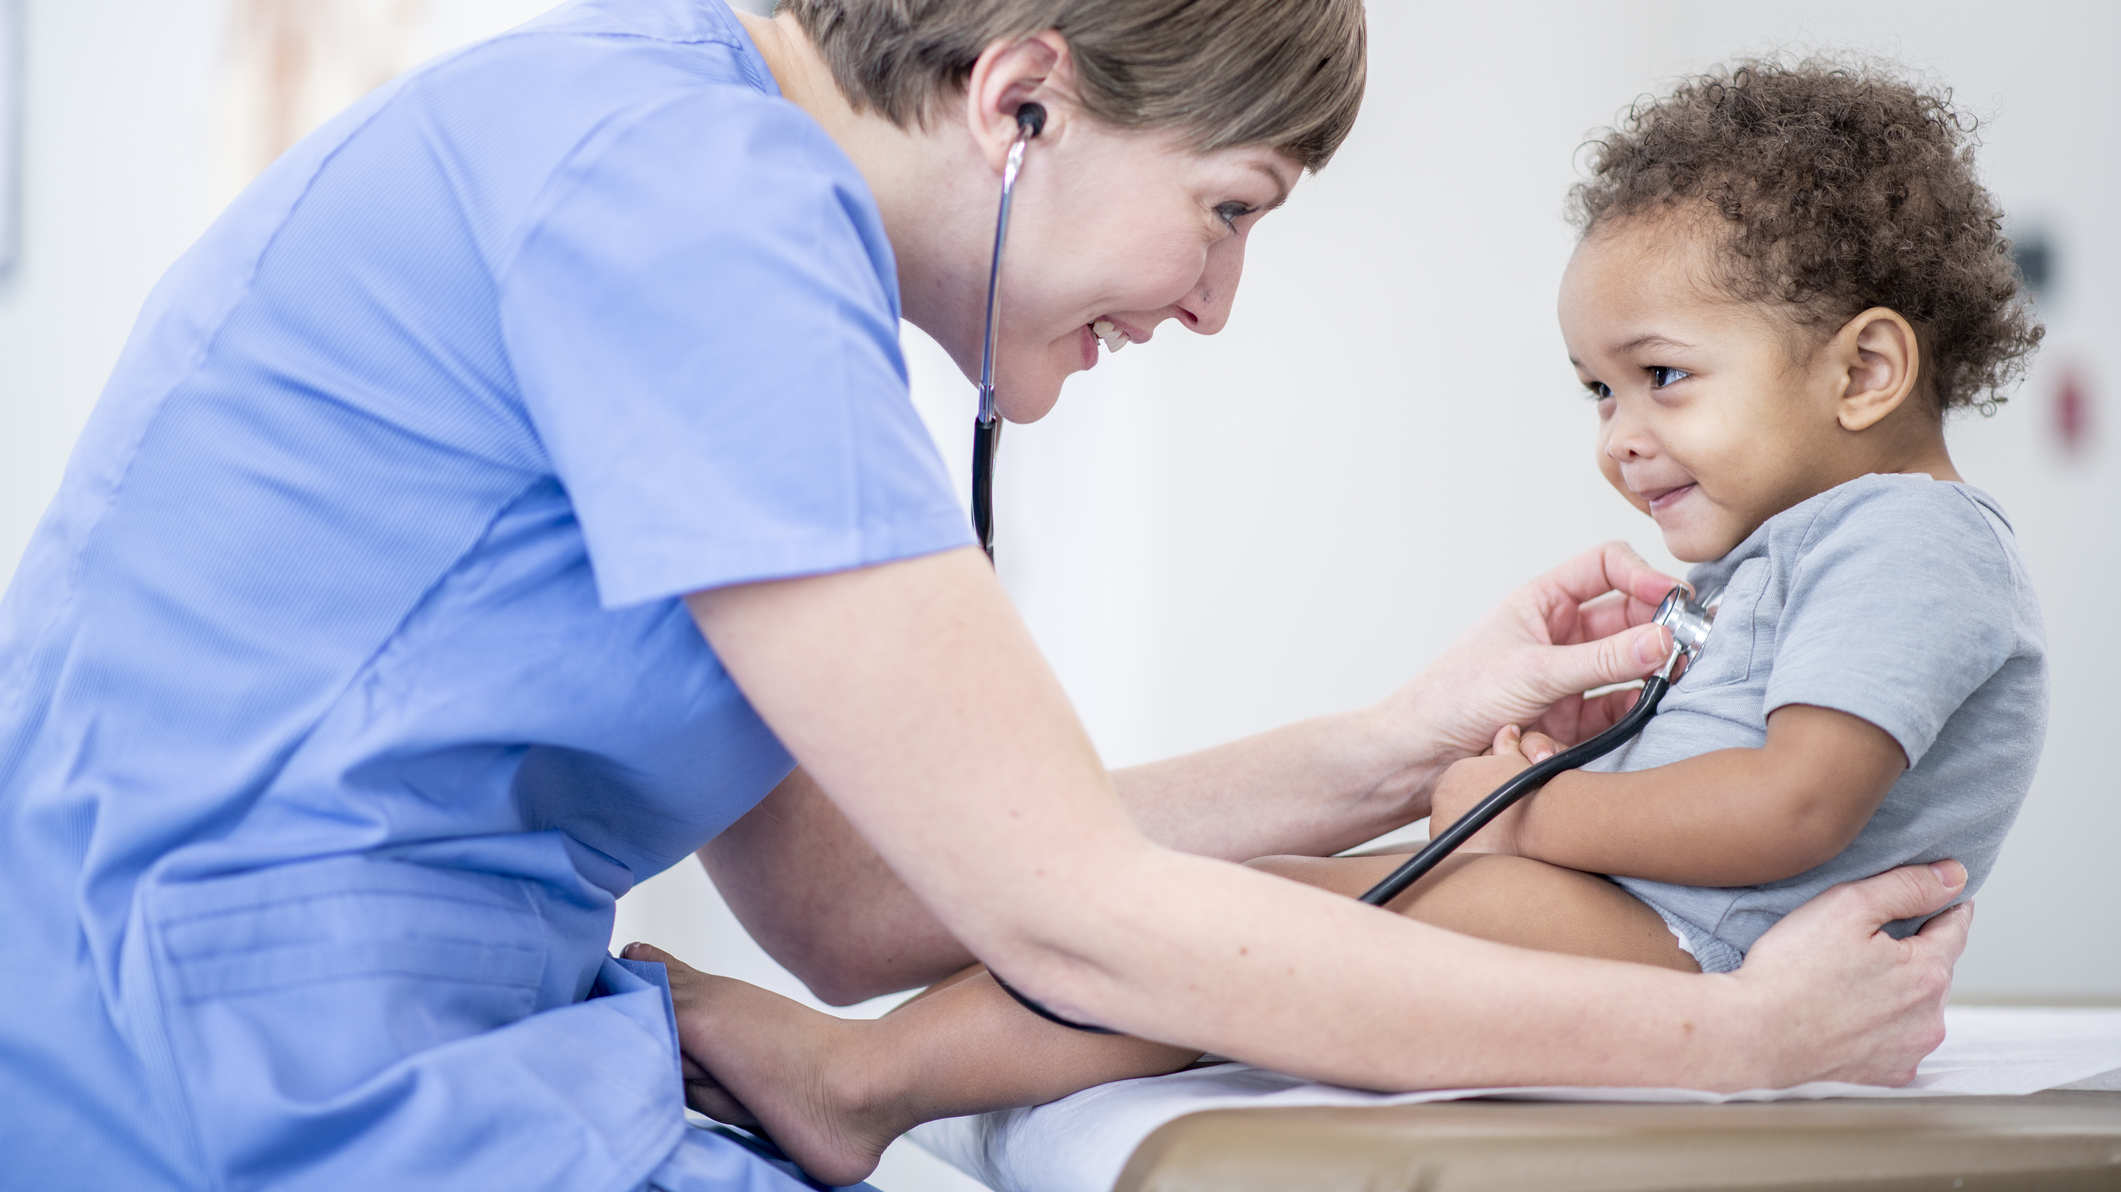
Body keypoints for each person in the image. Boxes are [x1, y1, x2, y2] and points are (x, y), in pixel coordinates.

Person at [0, 0, 1966, 1185]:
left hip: (374, 1050)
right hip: (248, 1089)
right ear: (1020, 99)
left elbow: (865, 901)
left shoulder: (678, 168)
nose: (1210, 301)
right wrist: (1724, 1043)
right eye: (1222, 208)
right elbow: (1074, 912)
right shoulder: (693, 225)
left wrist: (1391, 744)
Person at [634, 60, 2043, 1187]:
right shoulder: (1803, 552)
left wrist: (1526, 816)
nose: (1620, 438)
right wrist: (1579, 768)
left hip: (1701, 949)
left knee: (1222, 929)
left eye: (1662, 377)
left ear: (1863, 366)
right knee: (1223, 925)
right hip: (1656, 923)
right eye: (1596, 393)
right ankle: (865, 1069)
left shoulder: (1909, 541)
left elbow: (1791, 805)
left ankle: (857, 1081)